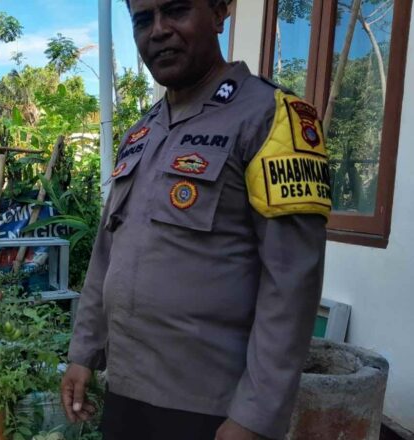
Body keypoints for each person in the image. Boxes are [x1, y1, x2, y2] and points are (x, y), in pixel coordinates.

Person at [61, 0, 331, 439]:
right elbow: (106, 254)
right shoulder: (140, 133)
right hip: (126, 394)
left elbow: (292, 284)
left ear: (219, 13)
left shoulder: (269, 118)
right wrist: (84, 353)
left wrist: (255, 416)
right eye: (143, 20)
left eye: (176, 10)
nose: (158, 30)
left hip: (209, 408)